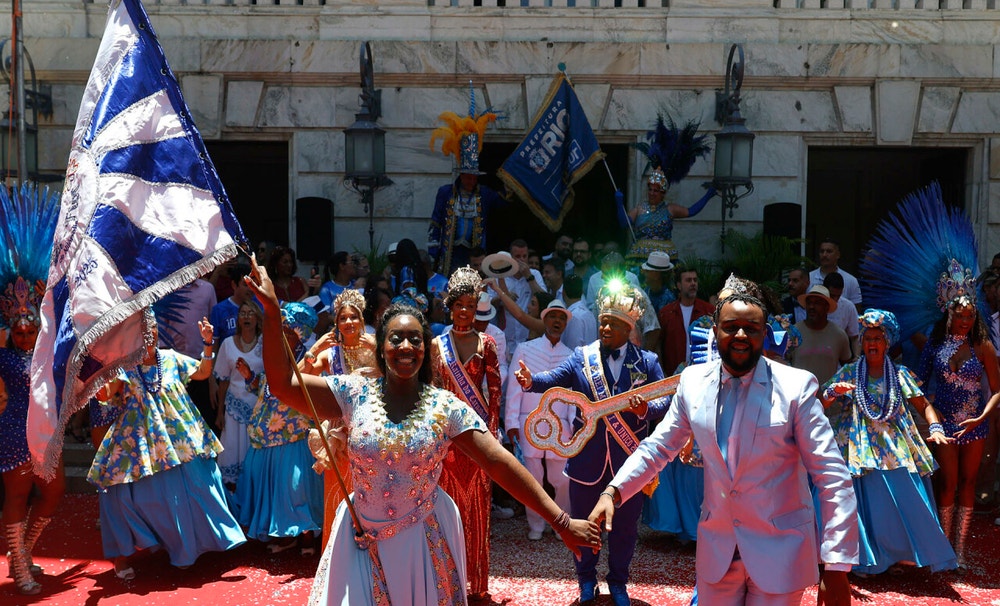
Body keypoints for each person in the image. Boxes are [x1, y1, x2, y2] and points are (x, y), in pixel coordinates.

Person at [242, 256, 601, 606]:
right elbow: (284, 385)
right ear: (381, 348)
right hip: (358, 542)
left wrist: (562, 522)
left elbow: (499, 463)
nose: (405, 347)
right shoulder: (352, 392)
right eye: (396, 338)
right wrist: (272, 314)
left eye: (415, 339)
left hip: (421, 548)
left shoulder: (444, 408)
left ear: (425, 349)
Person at [590, 292, 858, 606]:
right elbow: (658, 447)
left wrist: (837, 565)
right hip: (717, 553)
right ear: (715, 330)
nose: (741, 334)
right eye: (731, 327)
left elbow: (831, 476)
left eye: (752, 327)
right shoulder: (692, 382)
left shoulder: (796, 387)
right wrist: (614, 491)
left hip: (780, 552)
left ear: (764, 333)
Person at [514, 284, 670, 606]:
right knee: (584, 524)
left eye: (613, 324)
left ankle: (618, 583)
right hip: (587, 460)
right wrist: (531, 382)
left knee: (625, 529)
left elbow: (666, 400)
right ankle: (586, 580)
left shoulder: (647, 362)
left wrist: (646, 409)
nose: (605, 328)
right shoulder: (581, 357)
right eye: (603, 322)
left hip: (630, 461)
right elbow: (555, 377)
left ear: (629, 328)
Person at [90, 309, 245, 579]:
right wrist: (104, 368)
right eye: (142, 334)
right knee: (121, 492)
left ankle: (189, 547)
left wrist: (208, 343)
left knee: (199, 485)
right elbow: (107, 394)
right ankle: (122, 556)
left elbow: (203, 372)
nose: (149, 338)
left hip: (181, 437)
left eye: (152, 331)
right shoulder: (124, 367)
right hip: (139, 440)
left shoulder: (171, 358)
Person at [819, 309, 956, 575]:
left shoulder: (901, 374)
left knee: (906, 494)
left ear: (887, 342)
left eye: (877, 338)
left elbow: (924, 404)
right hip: (858, 444)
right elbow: (820, 403)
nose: (871, 343)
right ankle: (868, 559)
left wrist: (936, 426)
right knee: (866, 501)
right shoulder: (849, 372)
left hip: (896, 445)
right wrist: (833, 393)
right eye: (867, 338)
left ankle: (905, 555)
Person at [430, 267, 504, 600]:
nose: (464, 311)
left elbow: (495, 391)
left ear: (478, 309)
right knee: (446, 510)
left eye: (471, 306)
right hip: (447, 441)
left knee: (477, 511)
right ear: (450, 306)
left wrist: (493, 433)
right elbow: (432, 393)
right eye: (459, 305)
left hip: (476, 438)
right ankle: (447, 581)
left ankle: (476, 585)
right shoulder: (436, 345)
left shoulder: (486, 343)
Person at [916, 291, 1000, 566]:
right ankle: (942, 549)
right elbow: (918, 385)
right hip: (944, 425)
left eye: (970, 315)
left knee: (968, 483)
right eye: (960, 315)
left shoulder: (982, 345)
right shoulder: (935, 344)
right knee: (947, 483)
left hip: (974, 424)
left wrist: (981, 418)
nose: (966, 320)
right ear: (948, 315)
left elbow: (997, 391)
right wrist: (933, 414)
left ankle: (960, 550)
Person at [234, 302, 324, 555]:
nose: (282, 335)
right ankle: (287, 534)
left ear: (300, 335)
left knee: (296, 486)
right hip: (266, 433)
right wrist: (250, 377)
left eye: (288, 331)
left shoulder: (309, 358)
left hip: (295, 432)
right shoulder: (274, 356)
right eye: (280, 330)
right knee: (276, 486)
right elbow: (267, 387)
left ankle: (307, 533)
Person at [0, 282, 66, 595]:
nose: (25, 338)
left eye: (30, 331)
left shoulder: (50, 352)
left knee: (54, 492)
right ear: (11, 333)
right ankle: (21, 566)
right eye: (19, 333)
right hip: (14, 431)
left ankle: (21, 553)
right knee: (16, 497)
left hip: (47, 431)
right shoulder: (4, 358)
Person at [302, 289, 380, 550]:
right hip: (340, 434)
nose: (348, 323)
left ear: (361, 320)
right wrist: (315, 348)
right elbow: (299, 379)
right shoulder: (330, 355)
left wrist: (378, 349)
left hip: (371, 429)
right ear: (336, 323)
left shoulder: (374, 348)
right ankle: (337, 553)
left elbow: (398, 373)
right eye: (342, 319)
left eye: (353, 317)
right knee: (339, 489)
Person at [505, 299, 575, 541]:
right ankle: (536, 525)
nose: (557, 322)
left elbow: (574, 395)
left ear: (566, 323)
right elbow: (515, 388)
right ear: (544, 320)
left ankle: (561, 523)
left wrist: (575, 425)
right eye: (553, 317)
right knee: (532, 479)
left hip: (561, 425)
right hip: (529, 422)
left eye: (562, 318)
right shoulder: (526, 349)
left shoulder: (571, 355)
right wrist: (511, 422)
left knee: (561, 479)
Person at [428, 102, 504, 277]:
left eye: (474, 177)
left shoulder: (484, 194)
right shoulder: (446, 192)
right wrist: (433, 253)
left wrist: (510, 182)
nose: (471, 180)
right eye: (468, 176)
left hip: (474, 253)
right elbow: (436, 222)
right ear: (461, 176)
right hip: (450, 253)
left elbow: (502, 202)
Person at [625, 115, 715, 263]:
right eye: (650, 189)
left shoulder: (670, 209)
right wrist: (618, 202)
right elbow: (624, 223)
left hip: (665, 260)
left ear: (663, 193)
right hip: (639, 260)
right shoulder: (639, 209)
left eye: (656, 190)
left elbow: (691, 211)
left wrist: (708, 196)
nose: (652, 193)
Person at [212, 300, 264, 490]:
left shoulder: (264, 343)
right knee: (232, 448)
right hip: (233, 407)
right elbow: (223, 379)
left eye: (251, 313)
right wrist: (219, 413)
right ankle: (232, 494)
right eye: (243, 313)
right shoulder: (227, 344)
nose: (247, 317)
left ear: (257, 319)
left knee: (252, 450)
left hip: (257, 408)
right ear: (238, 319)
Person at [791, 285, 853, 385]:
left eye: (817, 303)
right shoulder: (793, 332)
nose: (812, 307)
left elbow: (848, 368)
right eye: (809, 303)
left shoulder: (839, 335)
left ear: (826, 307)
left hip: (828, 399)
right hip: (798, 398)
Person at [658, 264, 714, 375]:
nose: (693, 283)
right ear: (679, 285)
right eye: (688, 280)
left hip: (703, 374)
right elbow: (659, 346)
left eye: (695, 280)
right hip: (673, 376)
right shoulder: (666, 313)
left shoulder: (709, 311)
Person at [809, 238, 863, 308]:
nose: (824, 255)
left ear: (838, 255)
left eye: (829, 251)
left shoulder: (851, 280)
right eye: (822, 251)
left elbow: (856, 309)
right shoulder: (809, 278)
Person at [823, 272, 860, 359]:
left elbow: (855, 337)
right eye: (832, 296)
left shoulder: (848, 307)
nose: (835, 299)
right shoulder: (815, 305)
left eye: (838, 296)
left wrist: (856, 358)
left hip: (839, 357)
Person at [562, 274, 598, 350]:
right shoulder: (590, 314)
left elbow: (572, 350)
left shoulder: (573, 317)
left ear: (563, 292)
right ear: (581, 292)